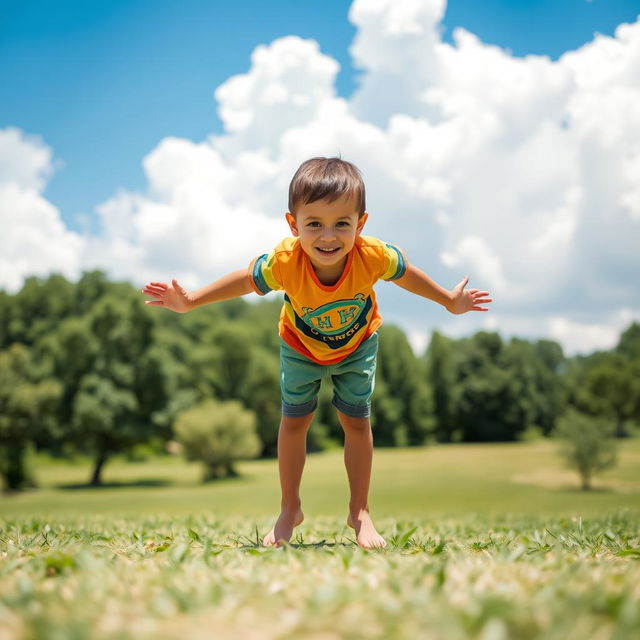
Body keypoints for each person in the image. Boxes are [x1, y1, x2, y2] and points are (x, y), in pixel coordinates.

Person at [141, 157, 492, 549]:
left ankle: (360, 512)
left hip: (357, 346)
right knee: (295, 422)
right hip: (299, 347)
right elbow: (244, 280)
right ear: (294, 225)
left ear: (361, 223)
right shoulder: (285, 262)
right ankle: (290, 507)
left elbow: (406, 272)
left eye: (342, 223)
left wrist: (448, 300)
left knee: (356, 422)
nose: (329, 236)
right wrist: (190, 301)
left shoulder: (373, 256)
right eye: (314, 224)